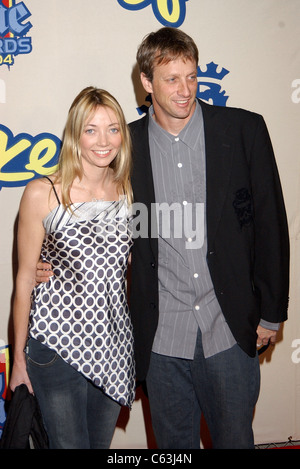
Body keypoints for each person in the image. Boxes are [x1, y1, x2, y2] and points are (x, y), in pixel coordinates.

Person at [37, 28, 290, 449]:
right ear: (146, 82)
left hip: (228, 330)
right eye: (171, 79)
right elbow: (84, 206)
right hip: (159, 338)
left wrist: (270, 313)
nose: (185, 90)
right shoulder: (124, 146)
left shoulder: (244, 130)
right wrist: (50, 263)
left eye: (191, 77)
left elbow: (271, 224)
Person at [9, 87, 135, 449]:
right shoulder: (42, 192)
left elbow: (124, 270)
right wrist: (18, 360)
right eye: (91, 129)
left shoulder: (126, 191)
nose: (103, 140)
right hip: (55, 346)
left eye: (113, 129)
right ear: (74, 134)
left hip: (113, 346)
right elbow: (23, 282)